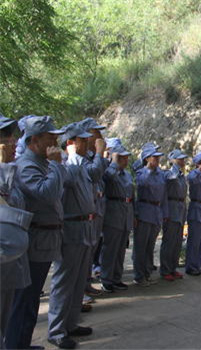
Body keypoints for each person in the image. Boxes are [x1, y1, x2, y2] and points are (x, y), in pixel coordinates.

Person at [5, 116, 66, 350]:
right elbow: (47, 193)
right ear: (34, 140)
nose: (55, 142)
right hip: (34, 242)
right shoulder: (27, 166)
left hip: (44, 240)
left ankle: (22, 343)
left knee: (29, 300)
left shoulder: (43, 162)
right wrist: (57, 165)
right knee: (24, 302)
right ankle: (16, 345)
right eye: (50, 137)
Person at [47, 122, 99, 349]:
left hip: (85, 227)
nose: (87, 141)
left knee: (79, 281)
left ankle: (71, 323)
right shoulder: (64, 165)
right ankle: (56, 330)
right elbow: (66, 180)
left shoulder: (81, 164)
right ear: (70, 143)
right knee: (64, 282)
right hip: (71, 229)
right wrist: (68, 157)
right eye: (82, 139)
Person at [0, 116, 33, 349]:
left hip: (10, 260)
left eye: (11, 136)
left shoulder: (11, 171)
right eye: (4, 137)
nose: (12, 142)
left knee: (6, 320)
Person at [78, 118, 107, 302]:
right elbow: (95, 173)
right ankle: (80, 290)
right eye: (96, 133)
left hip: (95, 210)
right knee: (83, 254)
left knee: (91, 250)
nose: (100, 137)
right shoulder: (79, 159)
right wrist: (99, 152)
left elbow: (101, 173)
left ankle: (86, 284)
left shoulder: (91, 157)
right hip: (83, 214)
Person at [100, 139, 134, 293]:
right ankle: (106, 279)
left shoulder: (126, 175)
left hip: (125, 211)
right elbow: (108, 179)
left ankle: (116, 277)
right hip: (113, 212)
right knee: (110, 248)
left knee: (121, 248)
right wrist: (113, 162)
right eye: (123, 158)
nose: (126, 160)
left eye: (126, 157)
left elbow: (131, 193)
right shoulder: (109, 172)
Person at [133, 144, 166, 286]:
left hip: (156, 211)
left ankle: (147, 272)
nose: (158, 159)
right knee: (141, 246)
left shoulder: (160, 174)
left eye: (158, 157)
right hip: (144, 211)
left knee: (150, 246)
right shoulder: (142, 173)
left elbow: (163, 193)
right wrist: (149, 169)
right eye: (155, 157)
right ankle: (139, 275)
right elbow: (142, 184)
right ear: (147, 158)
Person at [160, 149, 188, 282]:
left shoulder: (182, 175)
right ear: (173, 160)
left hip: (180, 210)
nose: (182, 161)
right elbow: (165, 193)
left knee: (177, 242)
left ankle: (172, 267)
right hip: (171, 210)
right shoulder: (169, 173)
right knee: (169, 241)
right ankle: (165, 269)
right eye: (179, 159)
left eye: (183, 159)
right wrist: (165, 212)